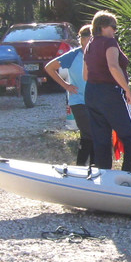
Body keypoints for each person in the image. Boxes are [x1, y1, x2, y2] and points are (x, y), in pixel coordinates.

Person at [82, 10, 131, 171]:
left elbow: (85, 75)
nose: (115, 31)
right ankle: (130, 176)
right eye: (113, 27)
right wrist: (127, 89)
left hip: (91, 93)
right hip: (111, 93)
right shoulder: (110, 43)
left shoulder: (89, 45)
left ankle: (104, 177)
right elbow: (113, 67)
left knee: (101, 139)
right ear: (102, 27)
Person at [43, 24, 94, 166]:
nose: (92, 42)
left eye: (94, 39)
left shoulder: (98, 55)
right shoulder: (73, 55)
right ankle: (84, 167)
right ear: (82, 40)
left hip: (96, 102)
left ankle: (91, 168)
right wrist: (66, 85)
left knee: (92, 136)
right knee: (89, 134)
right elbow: (49, 67)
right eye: (89, 38)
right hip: (78, 101)